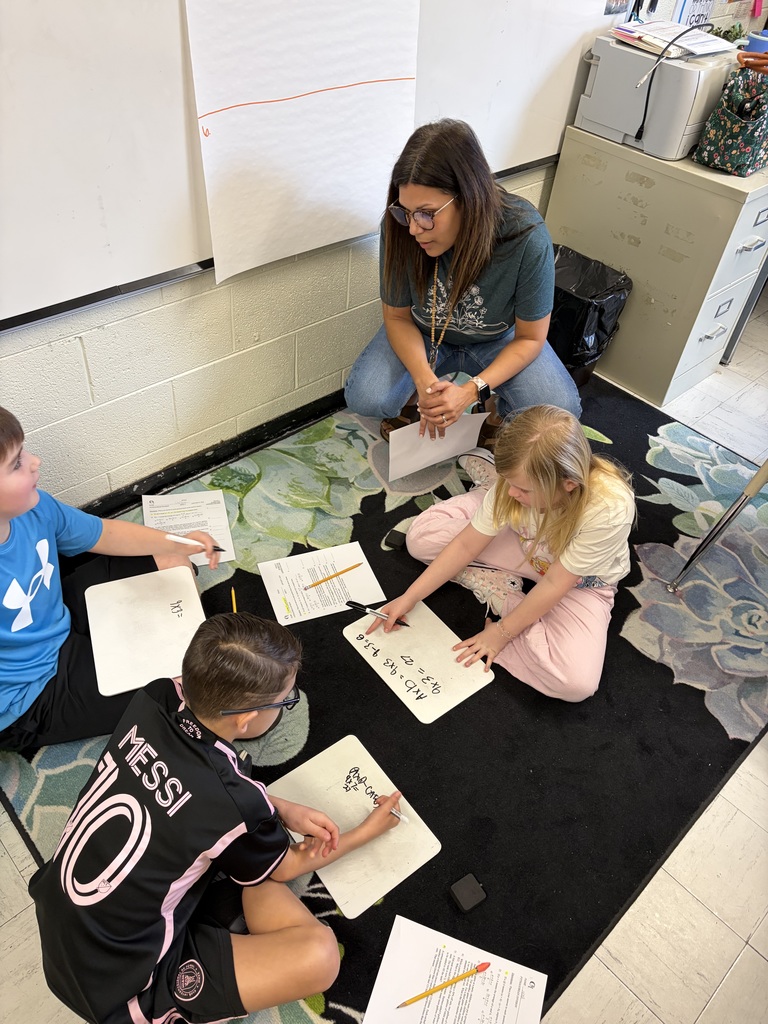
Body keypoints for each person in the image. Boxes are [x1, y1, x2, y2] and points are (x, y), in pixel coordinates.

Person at [29, 612, 401, 1024]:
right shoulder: (234, 802)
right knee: (320, 956)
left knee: (248, 863)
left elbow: (193, 793)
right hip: (122, 989)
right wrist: (366, 831)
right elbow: (289, 865)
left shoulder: (156, 696)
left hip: (58, 917)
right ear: (246, 720)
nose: (287, 706)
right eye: (285, 701)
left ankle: (243, 866)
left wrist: (278, 806)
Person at [369, 406, 635, 702]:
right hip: (524, 543)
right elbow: (465, 545)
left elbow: (554, 584)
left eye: (522, 488)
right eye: (507, 482)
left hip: (579, 582)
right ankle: (485, 488)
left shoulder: (609, 508)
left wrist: (501, 634)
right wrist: (410, 597)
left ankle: (505, 595)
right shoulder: (513, 490)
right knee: (420, 539)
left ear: (568, 484)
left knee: (574, 684)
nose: (510, 493)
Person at [344, 119, 581, 445]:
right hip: (422, 332)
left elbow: (530, 338)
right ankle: (414, 401)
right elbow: (397, 317)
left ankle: (495, 409)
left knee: (560, 411)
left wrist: (472, 391)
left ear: (469, 197)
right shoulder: (399, 227)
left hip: (499, 338)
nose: (414, 229)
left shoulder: (524, 234)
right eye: (407, 212)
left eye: (427, 213)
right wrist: (425, 384)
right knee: (366, 397)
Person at [0, 405, 222, 751]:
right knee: (193, 689)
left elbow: (106, 533)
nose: (35, 461)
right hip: (32, 693)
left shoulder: (36, 506)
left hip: (58, 611)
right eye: (16, 463)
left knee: (173, 559)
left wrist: (179, 540)